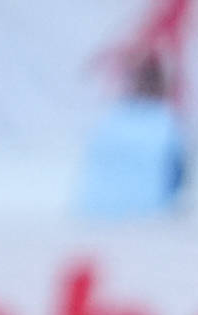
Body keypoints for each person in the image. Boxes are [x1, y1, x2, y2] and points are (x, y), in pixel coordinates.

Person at [74, 49, 189, 221]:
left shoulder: (109, 118)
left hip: (94, 212)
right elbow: (178, 179)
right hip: (148, 216)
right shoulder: (168, 123)